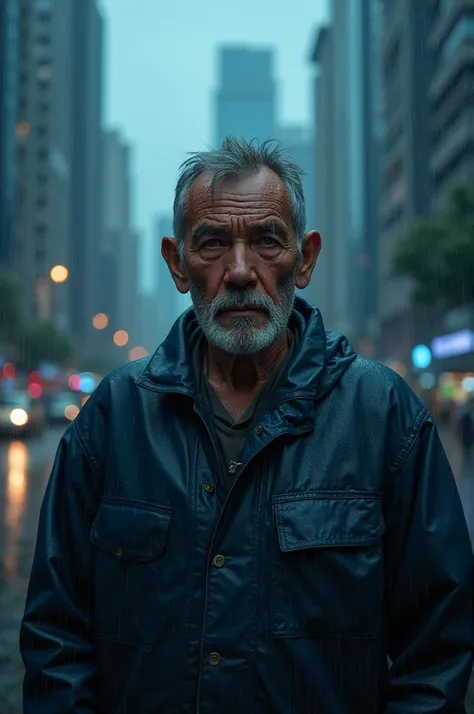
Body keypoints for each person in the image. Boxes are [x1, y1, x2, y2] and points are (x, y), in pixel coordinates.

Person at [21, 137, 474, 713]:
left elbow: (438, 648)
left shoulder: (382, 415)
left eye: (266, 241)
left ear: (304, 259)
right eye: (212, 243)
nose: (240, 272)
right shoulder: (114, 416)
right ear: (177, 264)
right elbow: (56, 638)